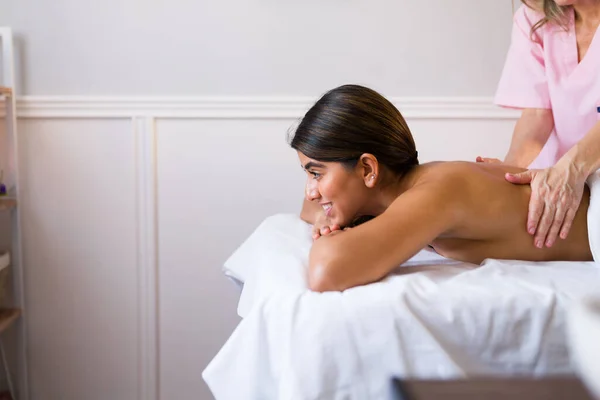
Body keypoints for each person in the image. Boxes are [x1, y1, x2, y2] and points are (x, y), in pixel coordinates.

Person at [290, 84, 597, 293]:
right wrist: (326, 217)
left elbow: (326, 273)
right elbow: (308, 209)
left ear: (368, 169)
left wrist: (331, 226)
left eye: (316, 174)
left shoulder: (435, 192)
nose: (311, 192)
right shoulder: (411, 189)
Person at [478, 0, 600, 250]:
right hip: (558, 174)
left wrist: (573, 168)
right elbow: (537, 114)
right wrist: (507, 173)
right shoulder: (534, 20)